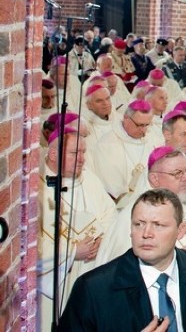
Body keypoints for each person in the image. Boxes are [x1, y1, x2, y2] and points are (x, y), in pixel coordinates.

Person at [59, 188, 186, 331]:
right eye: (139, 224)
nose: (146, 234)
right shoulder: (93, 288)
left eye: (158, 225)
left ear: (180, 231)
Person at [38, 127, 116, 330]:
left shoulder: (89, 179)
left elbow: (110, 214)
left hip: (92, 270)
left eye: (83, 152)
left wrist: (102, 241)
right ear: (53, 154)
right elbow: (29, 247)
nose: (82, 159)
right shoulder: (34, 190)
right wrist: (72, 252)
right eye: (75, 153)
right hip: (55, 280)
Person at [89, 99, 160, 209]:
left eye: (147, 125)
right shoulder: (107, 145)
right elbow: (114, 190)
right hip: (123, 208)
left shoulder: (154, 140)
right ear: (126, 118)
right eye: (139, 125)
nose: (144, 130)